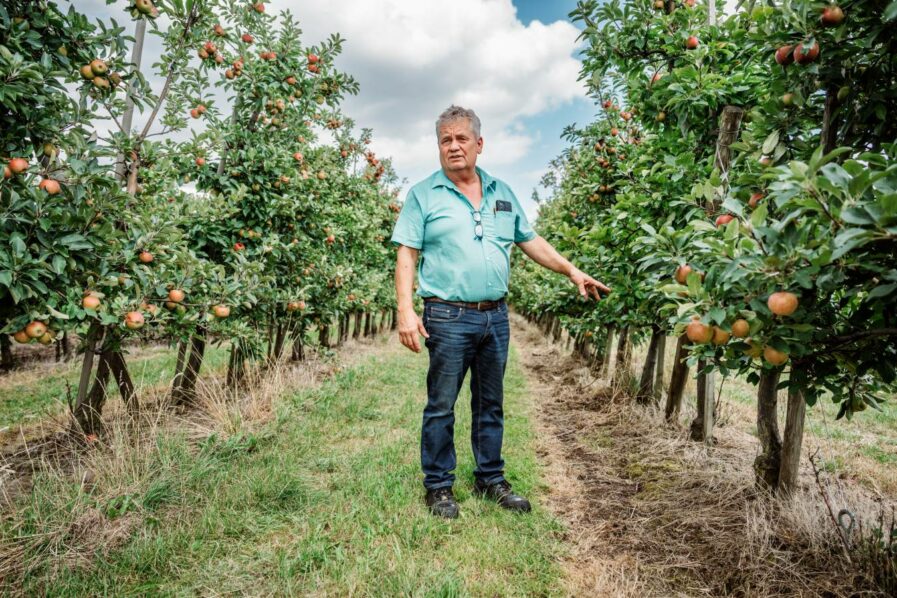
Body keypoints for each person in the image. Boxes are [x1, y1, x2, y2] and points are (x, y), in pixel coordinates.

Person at [391, 105, 610, 519]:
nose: (453, 146)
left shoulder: (502, 192)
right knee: (442, 404)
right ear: (438, 146)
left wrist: (571, 270)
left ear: (479, 144)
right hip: (447, 315)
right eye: (445, 140)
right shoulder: (423, 194)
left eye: (460, 138)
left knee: (490, 403)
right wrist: (405, 309)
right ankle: (439, 486)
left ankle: (490, 478)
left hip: (495, 316)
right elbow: (407, 252)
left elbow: (530, 240)